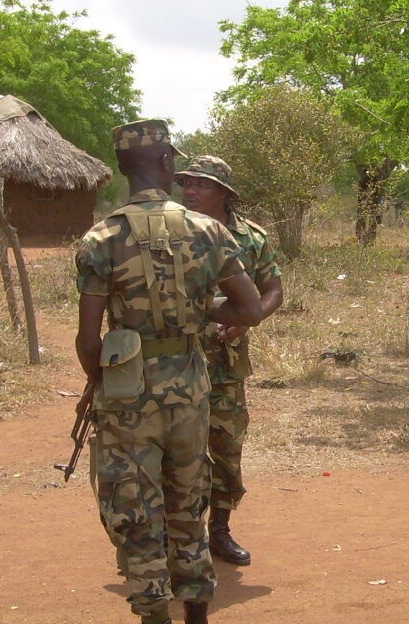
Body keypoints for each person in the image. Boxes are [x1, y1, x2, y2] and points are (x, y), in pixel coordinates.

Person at [74, 119, 263, 624]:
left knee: (136, 509)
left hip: (128, 393)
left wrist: (101, 383)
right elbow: (249, 309)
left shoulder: (102, 237)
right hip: (190, 391)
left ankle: (153, 613)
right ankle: (197, 612)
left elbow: (87, 340)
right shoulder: (209, 230)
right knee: (188, 501)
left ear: (120, 167)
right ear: (166, 163)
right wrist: (201, 311)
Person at [175, 155, 284, 566]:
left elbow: (273, 289)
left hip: (224, 364)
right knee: (176, 448)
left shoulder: (251, 238)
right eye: (186, 184)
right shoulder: (171, 232)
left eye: (201, 185)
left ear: (223, 193)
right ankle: (179, 534)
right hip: (175, 361)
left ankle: (218, 530)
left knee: (225, 448)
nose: (190, 191)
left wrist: (248, 320)